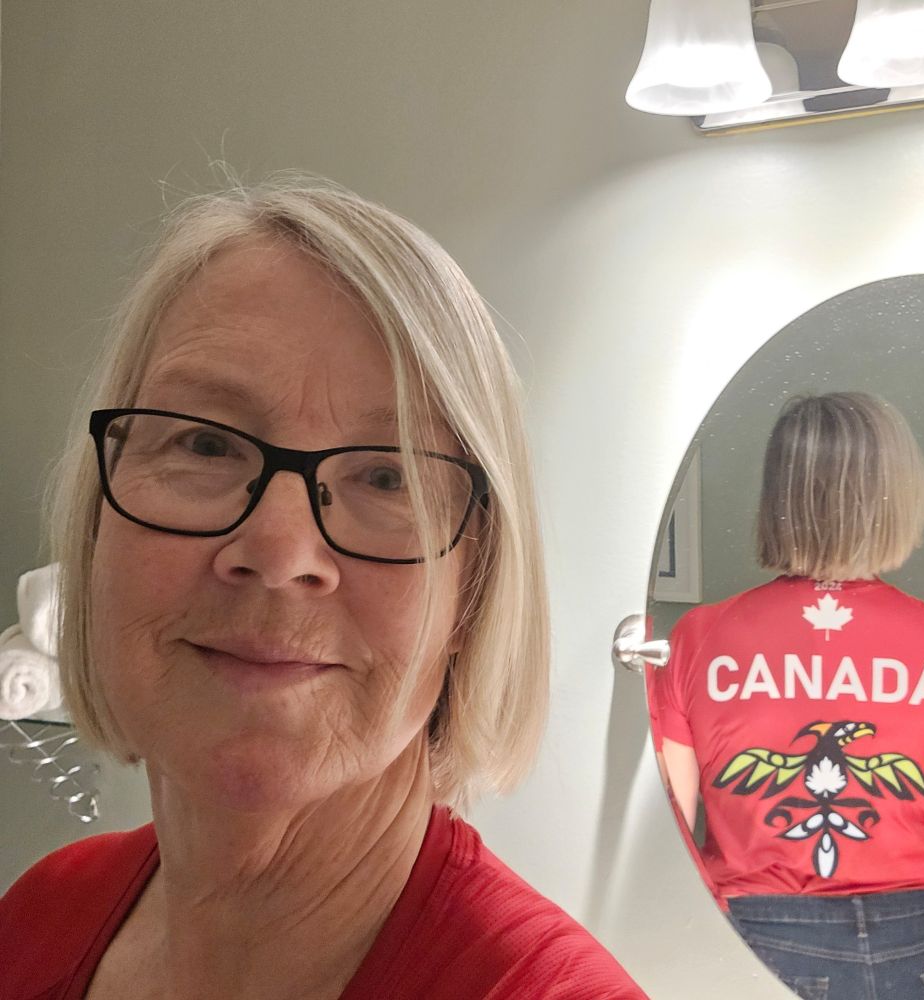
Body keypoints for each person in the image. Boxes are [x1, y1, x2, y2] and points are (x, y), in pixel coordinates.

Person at [0, 177, 647, 1000]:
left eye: (386, 475)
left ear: (474, 589)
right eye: (205, 445)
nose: (279, 552)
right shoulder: (40, 917)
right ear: (98, 523)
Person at [646, 392, 924, 1000]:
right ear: (901, 498)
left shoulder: (700, 637)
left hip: (760, 939)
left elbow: (664, 825)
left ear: (778, 502)